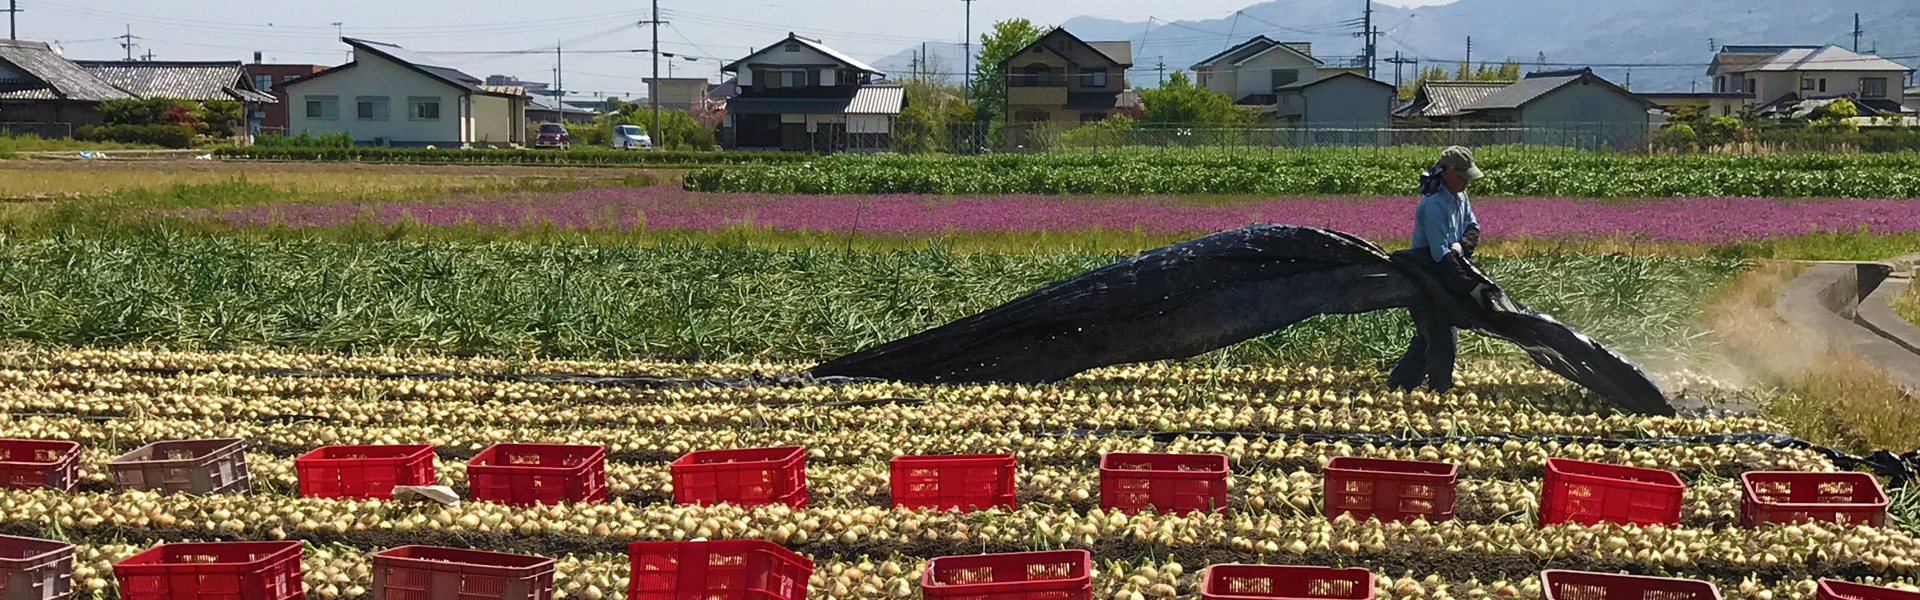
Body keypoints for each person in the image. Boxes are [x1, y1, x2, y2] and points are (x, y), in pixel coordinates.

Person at [1387, 146, 1493, 393]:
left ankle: (1399, 384)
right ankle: (1440, 392)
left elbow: (1473, 227)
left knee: (1429, 335)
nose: (1467, 180)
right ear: (1446, 173)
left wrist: (1461, 247)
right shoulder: (1434, 204)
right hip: (1426, 276)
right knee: (1442, 338)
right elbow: (1439, 254)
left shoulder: (1460, 198)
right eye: (1462, 175)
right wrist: (1467, 286)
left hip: (1445, 271)